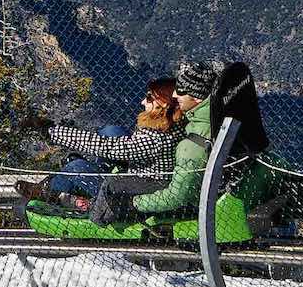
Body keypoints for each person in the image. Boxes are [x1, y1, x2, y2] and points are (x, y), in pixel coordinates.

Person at [90, 59, 220, 225]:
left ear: (195, 98)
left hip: (158, 186)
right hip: (162, 172)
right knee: (110, 132)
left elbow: (176, 196)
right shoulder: (196, 121)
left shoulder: (190, 146)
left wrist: (133, 203)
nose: (175, 95)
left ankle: (95, 215)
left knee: (92, 172)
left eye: (180, 92)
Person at [16, 76, 186, 203]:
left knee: (75, 167)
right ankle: (96, 170)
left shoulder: (155, 139)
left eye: (149, 98)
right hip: (144, 172)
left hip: (139, 188)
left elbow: (108, 147)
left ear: (162, 104)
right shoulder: (172, 124)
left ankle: (50, 191)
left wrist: (52, 132)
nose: (143, 102)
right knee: (112, 131)